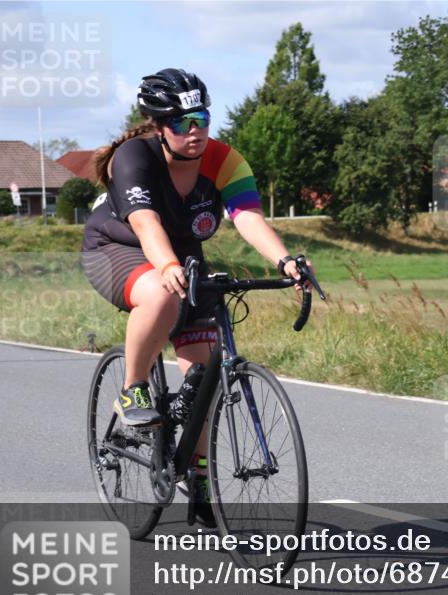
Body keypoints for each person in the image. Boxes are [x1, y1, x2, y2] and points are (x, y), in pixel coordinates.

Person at [81, 68, 311, 522]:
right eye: (183, 123)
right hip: (118, 249)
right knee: (161, 297)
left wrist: (286, 261)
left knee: (205, 377)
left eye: (202, 118)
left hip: (183, 257)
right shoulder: (135, 157)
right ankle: (133, 390)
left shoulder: (224, 161)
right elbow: (145, 223)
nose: (196, 131)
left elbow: (247, 218)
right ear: (159, 126)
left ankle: (201, 483)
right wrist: (165, 267)